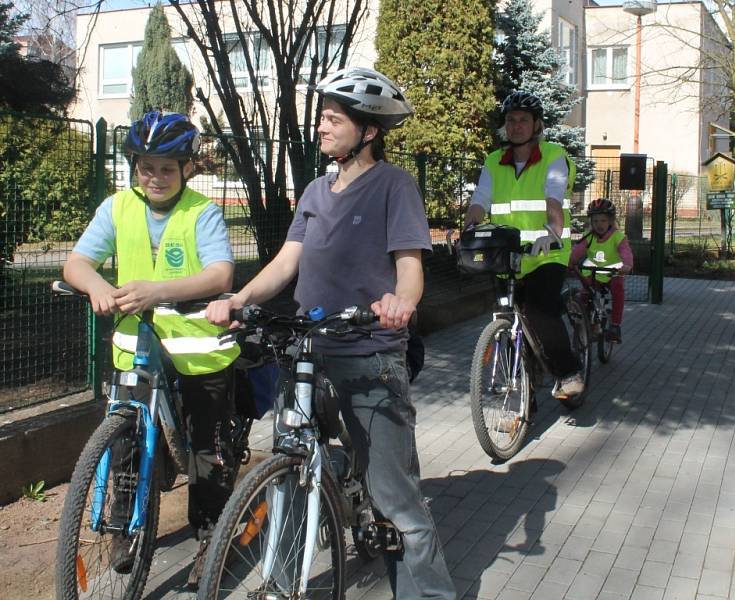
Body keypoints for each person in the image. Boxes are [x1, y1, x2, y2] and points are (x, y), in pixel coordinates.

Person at [206, 67, 456, 600]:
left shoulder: (395, 186)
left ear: (368, 131)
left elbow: (410, 267)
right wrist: (239, 299)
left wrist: (400, 303)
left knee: (395, 497)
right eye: (322, 117)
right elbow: (286, 261)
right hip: (306, 353)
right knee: (292, 470)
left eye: (331, 119)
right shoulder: (317, 190)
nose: (320, 127)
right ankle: (282, 585)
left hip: (369, 352)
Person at [62, 111, 240, 589]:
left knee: (207, 450)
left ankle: (210, 535)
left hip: (199, 349)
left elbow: (222, 276)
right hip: (135, 348)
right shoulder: (117, 207)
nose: (155, 177)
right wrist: (97, 284)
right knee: (122, 441)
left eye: (166, 168)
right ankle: (123, 529)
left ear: (185, 168)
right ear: (134, 167)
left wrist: (157, 292)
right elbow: (76, 262)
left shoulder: (202, 211)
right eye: (146, 167)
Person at [464, 90, 584, 400]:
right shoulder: (494, 161)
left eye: (523, 120)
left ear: (537, 125)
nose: (516, 126)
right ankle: (522, 402)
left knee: (539, 312)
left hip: (548, 251)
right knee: (508, 318)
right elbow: (480, 200)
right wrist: (469, 226)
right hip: (509, 256)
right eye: (511, 120)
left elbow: (553, 197)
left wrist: (553, 230)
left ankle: (568, 372)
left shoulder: (553, 156)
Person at [569, 198, 633, 342]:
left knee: (618, 288)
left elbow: (626, 252)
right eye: (596, 221)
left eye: (603, 221)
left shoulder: (618, 237)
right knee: (584, 296)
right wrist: (568, 263)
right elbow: (577, 252)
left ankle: (615, 326)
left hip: (613, 273)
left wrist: (627, 265)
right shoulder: (589, 237)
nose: (599, 225)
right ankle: (589, 323)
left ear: (610, 221)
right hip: (593, 273)